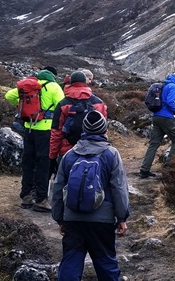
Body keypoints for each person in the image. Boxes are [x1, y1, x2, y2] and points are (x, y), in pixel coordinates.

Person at [51, 110, 130, 281]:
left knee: (70, 263)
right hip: (102, 221)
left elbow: (57, 188)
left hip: (73, 219)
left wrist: (60, 218)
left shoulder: (69, 155)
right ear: (104, 130)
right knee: (106, 264)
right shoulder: (111, 154)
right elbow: (119, 188)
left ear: (84, 130)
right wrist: (122, 217)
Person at [5, 67, 64, 211]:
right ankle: (41, 200)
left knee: (28, 162)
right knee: (44, 164)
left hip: (29, 128)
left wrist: (22, 106)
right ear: (52, 76)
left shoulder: (29, 85)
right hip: (46, 130)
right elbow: (62, 106)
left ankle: (26, 197)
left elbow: (8, 96)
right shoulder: (53, 86)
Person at [51, 71, 108, 164]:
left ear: (71, 82)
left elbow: (56, 133)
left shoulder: (63, 104)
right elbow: (104, 130)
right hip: (95, 151)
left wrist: (52, 156)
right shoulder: (98, 103)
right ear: (85, 82)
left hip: (68, 151)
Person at [138, 71, 175, 179]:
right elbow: (170, 102)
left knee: (154, 143)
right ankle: (168, 168)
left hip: (156, 116)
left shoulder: (164, 85)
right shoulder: (173, 86)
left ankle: (144, 170)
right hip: (166, 117)